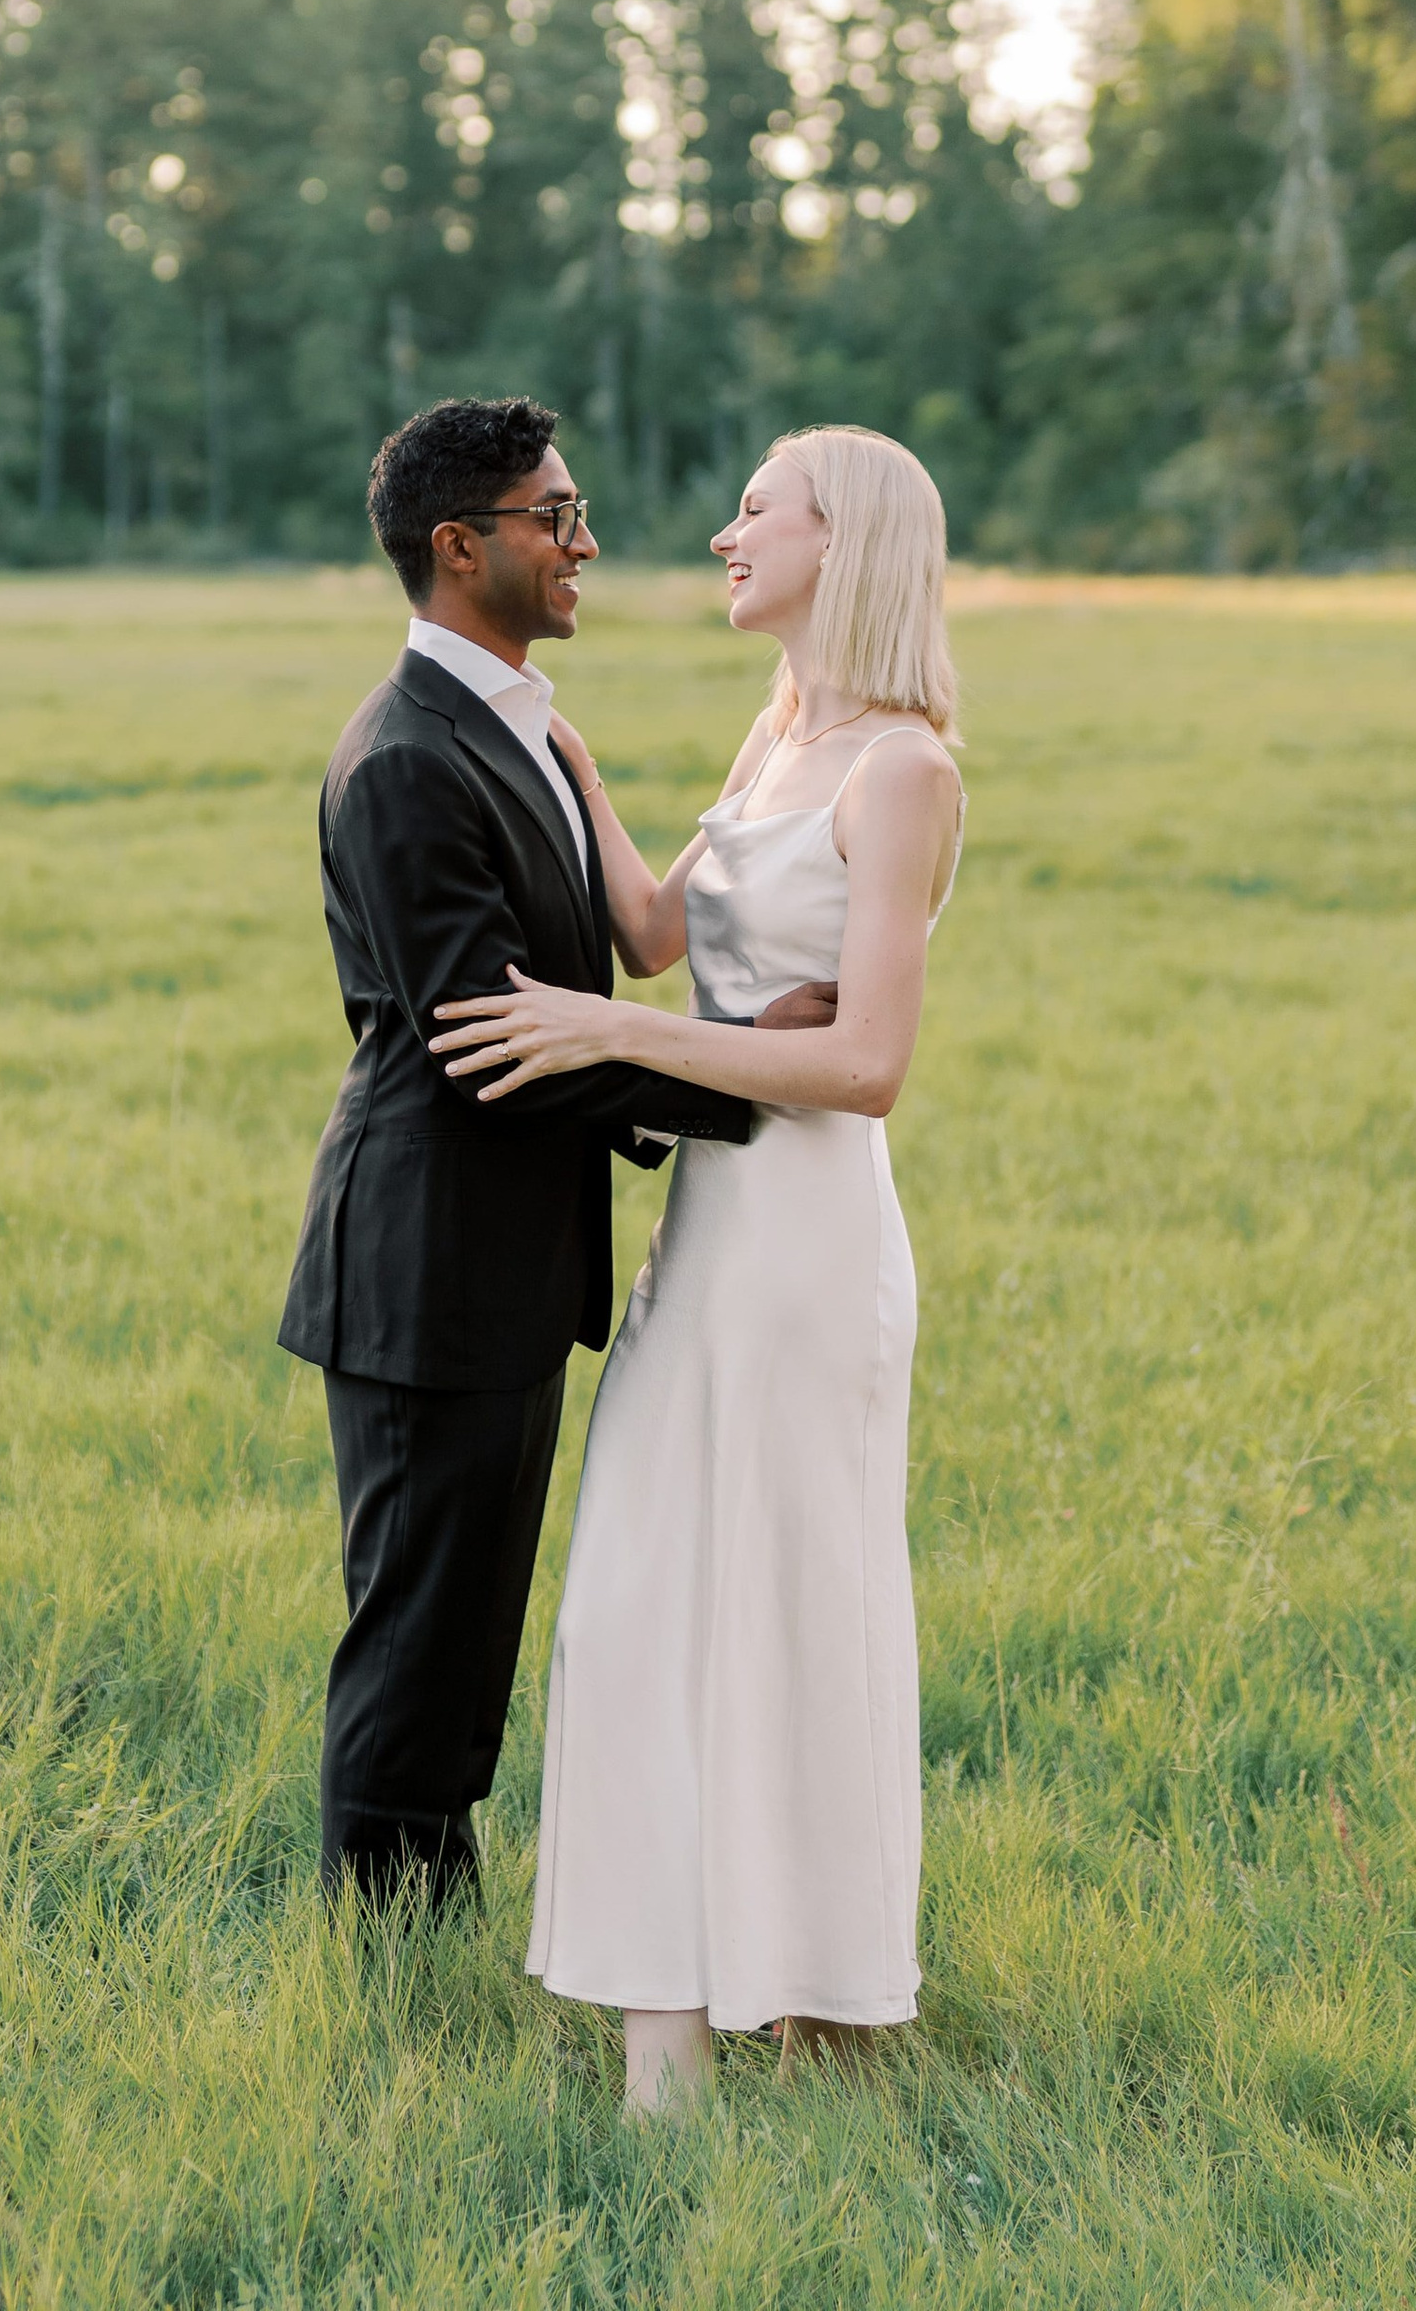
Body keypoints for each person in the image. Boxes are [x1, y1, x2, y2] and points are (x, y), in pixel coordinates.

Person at [430, 423, 963, 2110]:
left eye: (755, 513)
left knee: (790, 1612)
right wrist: (566, 767)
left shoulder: (907, 772)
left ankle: (811, 2002)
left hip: (810, 1255)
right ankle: (667, 2030)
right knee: (642, 1607)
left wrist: (613, 1032)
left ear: (846, 540)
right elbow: (666, 935)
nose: (722, 537)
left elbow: (868, 1065)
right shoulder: (780, 731)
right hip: (707, 1243)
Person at [277, 396, 776, 1912]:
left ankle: (432, 1919)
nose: (584, 543)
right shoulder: (409, 760)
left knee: (469, 1615)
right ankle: (387, 1953)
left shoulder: (525, 727)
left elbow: (603, 971)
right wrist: (749, 1083)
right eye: (554, 518)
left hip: (495, 1260)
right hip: (427, 1270)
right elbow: (492, 1041)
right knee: (423, 1625)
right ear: (457, 546)